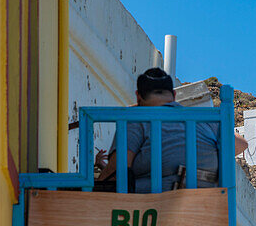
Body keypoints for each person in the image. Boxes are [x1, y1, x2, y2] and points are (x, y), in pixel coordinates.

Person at [96, 67, 244, 192]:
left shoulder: (136, 120)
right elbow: (241, 144)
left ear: (138, 96)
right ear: (173, 95)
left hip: (154, 207)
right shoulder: (207, 120)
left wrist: (94, 188)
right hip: (206, 206)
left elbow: (117, 171)